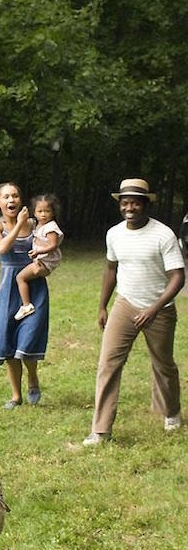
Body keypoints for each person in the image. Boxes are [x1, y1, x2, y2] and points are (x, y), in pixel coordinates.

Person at [83, 178, 185, 446]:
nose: (130, 207)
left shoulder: (163, 235)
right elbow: (110, 270)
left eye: (135, 203)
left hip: (159, 308)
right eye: (125, 203)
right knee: (108, 363)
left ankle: (172, 412)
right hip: (125, 305)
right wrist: (103, 305)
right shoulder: (114, 234)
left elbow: (177, 276)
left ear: (145, 205)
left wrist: (154, 308)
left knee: (163, 364)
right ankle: (101, 430)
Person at [0, 182, 50, 408]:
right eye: (6, 197)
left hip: (34, 285)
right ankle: (16, 395)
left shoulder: (34, 223)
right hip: (9, 288)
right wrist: (18, 225)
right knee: (9, 339)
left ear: (20, 200)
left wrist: (47, 264)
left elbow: (53, 241)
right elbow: (2, 248)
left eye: (15, 196)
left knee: (29, 336)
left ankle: (33, 378)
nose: (11, 200)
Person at [14, 194, 64, 321]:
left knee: (20, 278)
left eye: (47, 211)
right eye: (40, 211)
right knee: (27, 276)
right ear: (34, 213)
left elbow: (53, 245)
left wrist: (38, 252)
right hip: (40, 261)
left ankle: (26, 305)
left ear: (52, 212)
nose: (43, 214)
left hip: (45, 262)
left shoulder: (51, 227)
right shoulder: (38, 225)